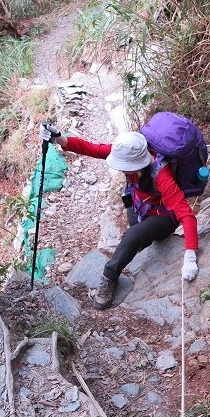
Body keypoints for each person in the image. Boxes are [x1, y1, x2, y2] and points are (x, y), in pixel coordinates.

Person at [38, 123, 199, 310]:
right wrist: (59, 138)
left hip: (164, 216)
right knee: (135, 233)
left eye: (125, 167)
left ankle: (109, 276)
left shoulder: (162, 176)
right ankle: (136, 248)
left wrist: (190, 257)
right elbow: (92, 148)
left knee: (133, 235)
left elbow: (187, 215)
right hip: (141, 206)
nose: (122, 169)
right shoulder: (128, 152)